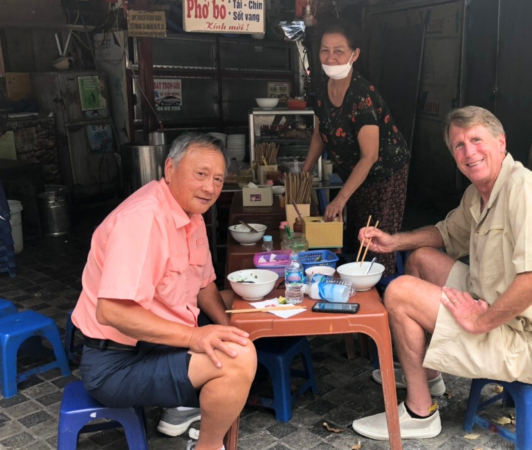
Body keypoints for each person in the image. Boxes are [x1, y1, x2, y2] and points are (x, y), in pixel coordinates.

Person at [350, 106, 532, 440]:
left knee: (399, 291)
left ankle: (419, 413)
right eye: (458, 145)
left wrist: (479, 322)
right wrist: (393, 242)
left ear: (501, 143)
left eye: (476, 139)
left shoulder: (524, 189)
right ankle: (428, 376)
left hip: (530, 340)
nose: (468, 151)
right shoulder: (478, 192)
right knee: (421, 260)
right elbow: (446, 233)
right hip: (492, 302)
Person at [71, 133, 257, 450]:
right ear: (170, 169)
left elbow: (203, 285)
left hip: (156, 345)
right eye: (200, 175)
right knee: (238, 359)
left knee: (242, 308)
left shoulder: (190, 213)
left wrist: (227, 326)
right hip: (116, 362)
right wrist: (197, 337)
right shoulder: (143, 219)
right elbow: (112, 312)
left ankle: (181, 407)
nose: (210, 188)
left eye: (217, 179)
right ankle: (209, 446)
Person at [302, 19, 410, 275]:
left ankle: (381, 291)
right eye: (325, 50)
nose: (331, 57)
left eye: (339, 51)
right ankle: (352, 283)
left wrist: (340, 198)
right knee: (354, 232)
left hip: (384, 172)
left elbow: (370, 155)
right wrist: (304, 173)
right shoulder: (320, 88)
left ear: (355, 54)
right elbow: (321, 132)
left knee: (374, 237)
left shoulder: (362, 95)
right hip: (355, 172)